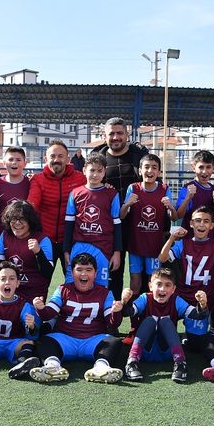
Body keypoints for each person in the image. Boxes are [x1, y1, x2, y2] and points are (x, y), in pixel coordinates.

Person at [29, 253, 126, 383]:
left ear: (95, 273)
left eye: (88, 270)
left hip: (93, 340)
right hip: (65, 339)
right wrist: (40, 308)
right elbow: (49, 314)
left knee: (114, 342)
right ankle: (53, 367)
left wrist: (116, 311)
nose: (84, 274)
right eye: (79, 270)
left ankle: (101, 368)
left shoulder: (105, 293)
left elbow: (112, 323)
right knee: (44, 341)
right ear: (72, 273)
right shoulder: (63, 290)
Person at [158, 206, 214, 351]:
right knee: (163, 340)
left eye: (206, 221)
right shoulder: (183, 243)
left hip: (202, 300)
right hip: (180, 298)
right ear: (191, 223)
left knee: (195, 345)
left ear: (212, 226)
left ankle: (188, 335)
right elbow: (162, 258)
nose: (201, 224)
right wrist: (172, 237)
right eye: (198, 221)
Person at [91, 117, 150, 298]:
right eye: (111, 134)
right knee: (111, 273)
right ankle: (111, 318)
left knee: (143, 277)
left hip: (138, 226)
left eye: (119, 133)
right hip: (108, 227)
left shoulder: (139, 157)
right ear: (104, 136)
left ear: (127, 134)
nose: (115, 137)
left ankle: (140, 318)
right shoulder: (98, 160)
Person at [120, 268, 209, 383]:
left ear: (173, 289)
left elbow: (198, 315)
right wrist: (124, 301)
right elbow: (128, 312)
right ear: (151, 286)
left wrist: (202, 304)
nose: (163, 289)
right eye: (159, 284)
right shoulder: (145, 298)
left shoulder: (176, 300)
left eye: (168, 285)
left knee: (165, 321)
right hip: (145, 351)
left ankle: (180, 363)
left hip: (167, 352)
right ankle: (132, 362)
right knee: (149, 320)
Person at [120, 153, 177, 296]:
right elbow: (121, 215)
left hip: (155, 246)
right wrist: (127, 204)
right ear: (140, 170)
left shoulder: (164, 189)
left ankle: (152, 313)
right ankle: (133, 314)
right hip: (135, 244)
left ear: (159, 172)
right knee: (135, 282)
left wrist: (170, 207)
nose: (150, 171)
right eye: (146, 167)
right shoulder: (133, 188)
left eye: (154, 168)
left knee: (155, 282)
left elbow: (174, 217)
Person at [63, 152, 121, 288]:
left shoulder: (112, 194)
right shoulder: (75, 193)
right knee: (72, 286)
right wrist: (66, 250)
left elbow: (117, 225)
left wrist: (117, 252)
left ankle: (99, 310)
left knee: (100, 287)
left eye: (99, 171)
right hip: (79, 246)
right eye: (92, 170)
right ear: (84, 170)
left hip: (103, 248)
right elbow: (69, 224)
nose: (95, 174)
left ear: (104, 172)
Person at [0, 200, 54, 302]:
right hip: (7, 288)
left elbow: (48, 273)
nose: (17, 223)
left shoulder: (42, 240)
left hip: (31, 294)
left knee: (23, 317)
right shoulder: (5, 235)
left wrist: (38, 252)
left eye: (22, 219)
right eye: (13, 219)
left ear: (30, 221)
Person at [27, 139, 86, 271]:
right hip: (46, 241)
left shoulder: (80, 178)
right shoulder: (38, 179)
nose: (56, 160)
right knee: (41, 281)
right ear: (46, 158)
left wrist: (105, 187)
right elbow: (32, 204)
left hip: (72, 240)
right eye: (52, 156)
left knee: (75, 281)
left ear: (67, 158)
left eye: (60, 156)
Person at [175, 150, 214, 240]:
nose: (204, 171)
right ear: (193, 167)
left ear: (213, 168)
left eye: (208, 167)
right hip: (191, 239)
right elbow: (179, 215)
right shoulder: (187, 188)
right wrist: (188, 198)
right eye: (201, 167)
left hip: (211, 238)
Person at [0, 146, 30, 241]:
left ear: (25, 163)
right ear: (4, 163)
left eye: (18, 159)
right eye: (10, 159)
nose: (14, 162)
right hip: (1, 233)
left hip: (24, 234)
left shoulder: (30, 184)